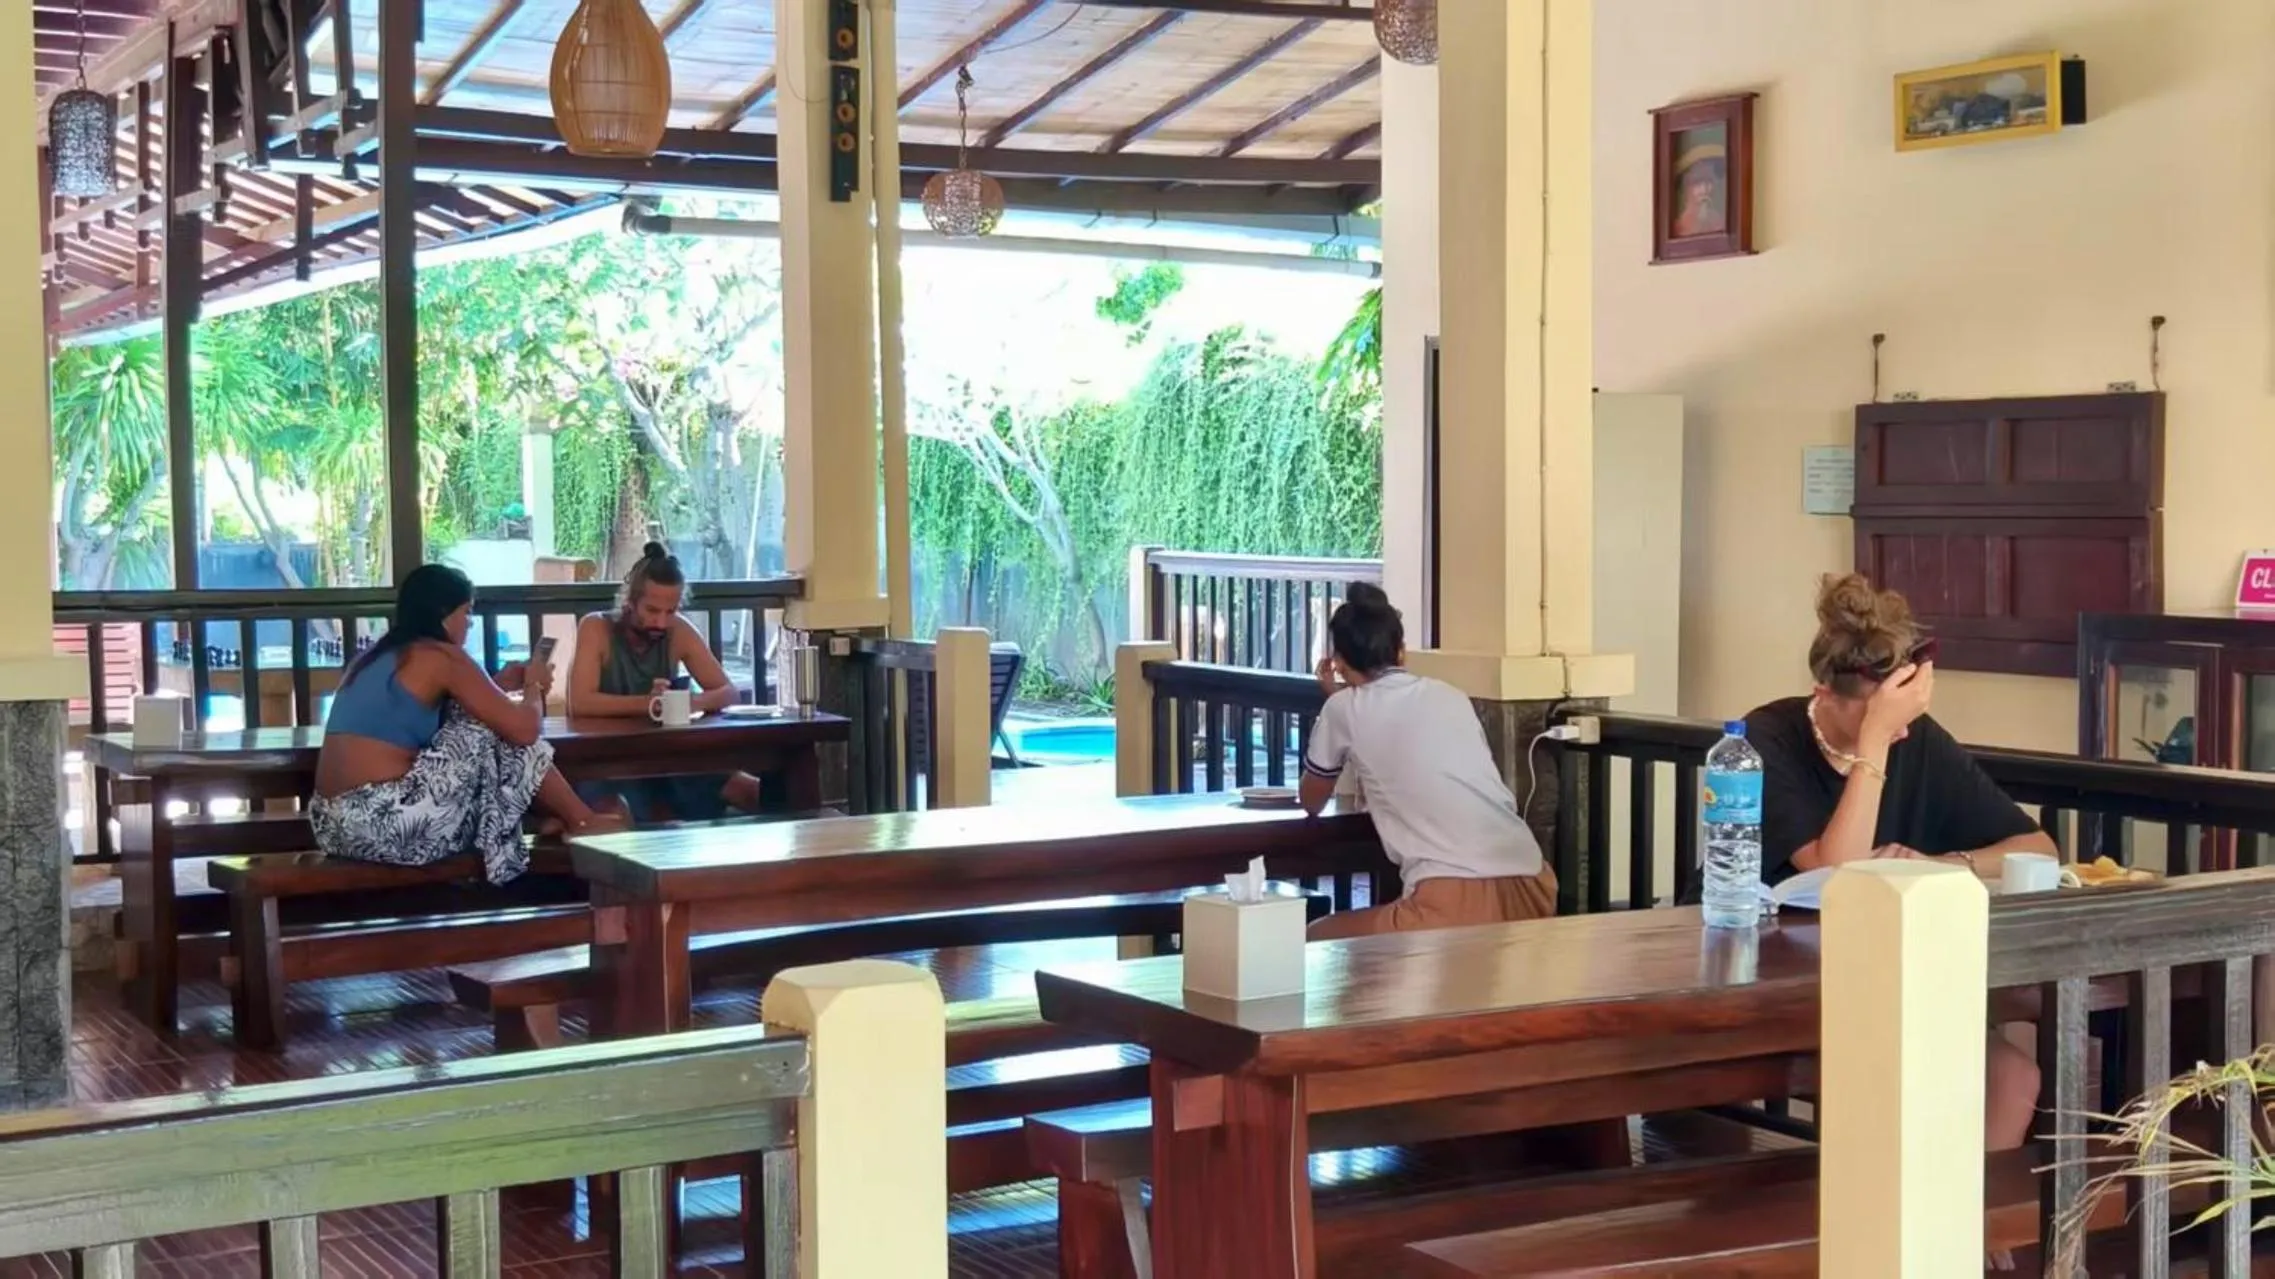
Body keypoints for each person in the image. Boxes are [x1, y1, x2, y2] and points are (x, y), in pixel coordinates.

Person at [1747, 572, 2058, 1155]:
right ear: (1823, 694)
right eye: (1883, 717)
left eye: (1905, 716)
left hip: (1889, 972)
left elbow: (2038, 849)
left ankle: (1975, 1241)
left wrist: (1941, 863)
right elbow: (1835, 870)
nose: (1903, 731)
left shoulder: (1916, 738)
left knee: (2015, 1078)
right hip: (1775, 979)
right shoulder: (1771, 736)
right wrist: (1874, 743)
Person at [310, 564, 627, 884]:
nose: (470, 624)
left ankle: (551, 817)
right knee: (496, 731)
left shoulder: (373, 657)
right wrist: (534, 686)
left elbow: (436, 723)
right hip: (389, 825)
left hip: (333, 827)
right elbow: (524, 730)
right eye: (467, 613)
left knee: (481, 724)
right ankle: (581, 819)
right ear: (444, 614)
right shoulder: (443, 656)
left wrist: (496, 686)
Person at [1298, 584, 1559, 938]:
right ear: (1401, 652)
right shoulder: (1450, 696)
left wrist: (1336, 702)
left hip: (1449, 897)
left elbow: (1312, 801)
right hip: (1532, 883)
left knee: (1317, 938)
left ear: (1338, 661)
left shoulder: (1343, 709)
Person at [568, 542, 762, 821]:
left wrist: (688, 703)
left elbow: (729, 693)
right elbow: (580, 703)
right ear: (630, 602)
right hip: (606, 760)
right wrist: (649, 704)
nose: (661, 622)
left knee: (749, 789)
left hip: (671, 756)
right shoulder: (596, 627)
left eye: (670, 611)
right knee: (615, 810)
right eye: (652, 610)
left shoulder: (679, 631)